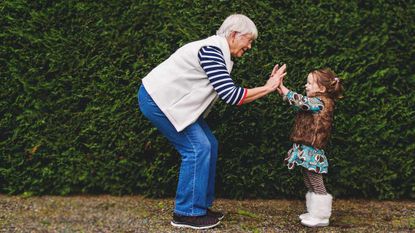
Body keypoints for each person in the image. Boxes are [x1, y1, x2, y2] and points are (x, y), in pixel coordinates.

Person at [138, 14, 287, 230]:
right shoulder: (211, 51)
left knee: (209, 144)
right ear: (235, 35)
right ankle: (186, 213)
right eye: (249, 40)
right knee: (197, 148)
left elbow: (228, 93)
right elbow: (232, 96)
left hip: (173, 103)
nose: (251, 46)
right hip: (158, 100)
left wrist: (267, 87)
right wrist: (268, 87)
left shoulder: (218, 52)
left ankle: (199, 207)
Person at [273, 68, 344, 227]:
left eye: (310, 83)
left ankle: (321, 216)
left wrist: (284, 89)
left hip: (312, 150)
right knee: (308, 179)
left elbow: (302, 102)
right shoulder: (315, 101)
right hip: (306, 149)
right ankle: (314, 212)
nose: (306, 85)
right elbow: (300, 103)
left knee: (316, 182)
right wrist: (282, 91)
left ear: (322, 89)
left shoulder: (320, 102)